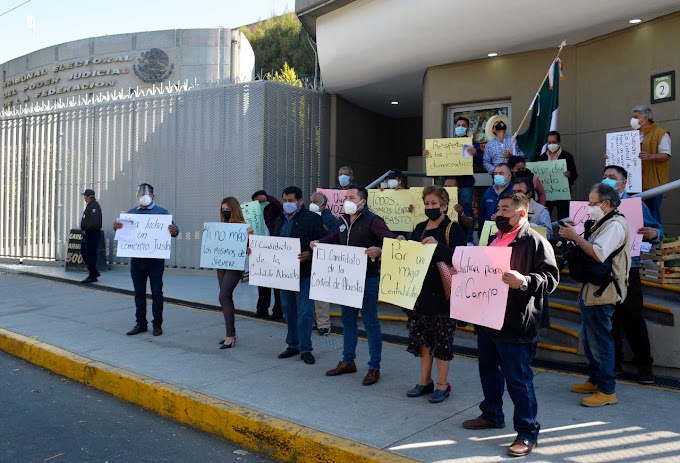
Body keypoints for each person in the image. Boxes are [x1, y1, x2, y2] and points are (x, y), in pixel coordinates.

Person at [463, 192, 558, 458]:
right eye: (498, 210)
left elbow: (551, 279)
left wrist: (525, 281)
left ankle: (527, 433)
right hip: (488, 318)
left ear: (522, 213)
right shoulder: (494, 239)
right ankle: (492, 414)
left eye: (505, 209)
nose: (499, 214)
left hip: (517, 321)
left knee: (518, 379)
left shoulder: (536, 241)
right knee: (488, 370)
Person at [559, 183, 630, 407]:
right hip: (594, 289)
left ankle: (607, 390)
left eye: (592, 203)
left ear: (606, 203)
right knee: (590, 339)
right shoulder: (605, 222)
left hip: (604, 292)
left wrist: (576, 237)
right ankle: (595, 379)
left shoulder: (616, 225)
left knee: (600, 341)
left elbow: (599, 254)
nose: (589, 207)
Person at [318, 184, 396, 386]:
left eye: (352, 197)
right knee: (348, 320)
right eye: (346, 197)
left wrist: (379, 250)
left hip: (367, 279)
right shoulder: (342, 219)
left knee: (370, 322)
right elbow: (337, 236)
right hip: (347, 281)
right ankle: (348, 361)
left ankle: (374, 367)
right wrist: (320, 242)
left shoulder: (373, 220)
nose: (348, 201)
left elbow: (394, 242)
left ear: (363, 201)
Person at [403, 186, 466, 403]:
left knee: (443, 341)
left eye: (434, 204)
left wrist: (438, 246)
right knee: (423, 340)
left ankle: (442, 384)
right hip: (421, 294)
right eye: (427, 204)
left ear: (444, 206)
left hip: (444, 295)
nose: (430, 207)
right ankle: (424, 381)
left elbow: (460, 258)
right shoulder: (420, 227)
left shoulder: (453, 228)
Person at [603, 165, 663, 384]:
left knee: (633, 317)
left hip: (629, 268)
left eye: (612, 177)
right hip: (602, 267)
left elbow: (659, 231)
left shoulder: (635, 206)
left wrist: (653, 233)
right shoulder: (595, 205)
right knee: (608, 318)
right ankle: (613, 363)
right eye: (605, 177)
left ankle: (644, 366)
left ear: (623, 182)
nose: (607, 180)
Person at [113, 183, 178, 337]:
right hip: (137, 260)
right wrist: (117, 227)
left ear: (153, 196)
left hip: (155, 260)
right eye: (141, 194)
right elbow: (123, 234)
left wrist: (175, 230)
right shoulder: (130, 214)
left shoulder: (162, 213)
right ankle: (141, 323)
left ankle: (157, 325)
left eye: (146, 194)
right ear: (137, 196)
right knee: (139, 293)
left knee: (157, 292)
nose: (144, 196)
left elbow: (174, 230)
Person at [274, 186, 326, 365]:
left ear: (300, 201)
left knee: (304, 312)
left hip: (304, 273)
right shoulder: (279, 219)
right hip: (284, 275)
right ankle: (293, 344)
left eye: (291, 201)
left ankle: (306, 348)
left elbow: (322, 244)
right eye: (285, 200)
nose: (287, 204)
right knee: (288, 310)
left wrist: (310, 255)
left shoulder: (311, 219)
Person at [216, 197, 251, 350]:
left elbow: (249, 246)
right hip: (221, 264)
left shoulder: (243, 226)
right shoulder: (221, 226)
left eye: (227, 210)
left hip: (234, 266)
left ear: (234, 209)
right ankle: (229, 333)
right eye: (223, 210)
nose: (225, 212)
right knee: (225, 298)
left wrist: (248, 244)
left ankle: (231, 335)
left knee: (223, 296)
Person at [630, 105, 671, 223]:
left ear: (645, 118)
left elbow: (666, 154)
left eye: (635, 117)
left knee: (652, 214)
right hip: (634, 184)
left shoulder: (661, 133)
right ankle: (639, 241)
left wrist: (651, 156)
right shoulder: (631, 135)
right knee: (636, 215)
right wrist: (611, 156)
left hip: (654, 183)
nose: (632, 120)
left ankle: (655, 238)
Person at [309, 191, 339, 336]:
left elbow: (335, 237)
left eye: (316, 202)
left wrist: (325, 231)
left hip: (323, 260)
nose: (313, 205)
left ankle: (323, 324)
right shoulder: (308, 217)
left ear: (324, 204)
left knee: (320, 294)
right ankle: (314, 321)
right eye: (311, 201)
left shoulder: (331, 219)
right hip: (309, 258)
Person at [251, 189, 284, 321]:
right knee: (262, 280)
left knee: (276, 282)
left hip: (274, 247)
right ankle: (262, 309)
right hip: (260, 249)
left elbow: (279, 207)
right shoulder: (254, 214)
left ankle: (277, 312)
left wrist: (267, 198)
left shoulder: (273, 209)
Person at [538, 131, 578, 219]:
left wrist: (569, 175)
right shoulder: (542, 158)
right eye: (549, 142)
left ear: (559, 142)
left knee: (563, 219)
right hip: (546, 195)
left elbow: (575, 175)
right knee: (544, 219)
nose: (551, 144)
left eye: (554, 142)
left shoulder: (567, 156)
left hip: (561, 195)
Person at [477, 163, 514, 238]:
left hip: (508, 234)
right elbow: (482, 215)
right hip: (488, 233)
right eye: (495, 173)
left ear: (509, 176)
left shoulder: (514, 191)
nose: (497, 176)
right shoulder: (488, 192)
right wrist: (480, 234)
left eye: (501, 173)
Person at [80, 188, 102, 284]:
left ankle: (92, 275)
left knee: (90, 255)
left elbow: (94, 223)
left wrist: (86, 230)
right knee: (85, 252)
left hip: (92, 234)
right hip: (88, 234)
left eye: (85, 196)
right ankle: (94, 272)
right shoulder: (90, 206)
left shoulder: (94, 206)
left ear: (88, 197)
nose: (84, 198)